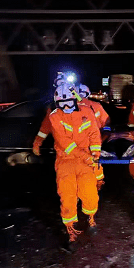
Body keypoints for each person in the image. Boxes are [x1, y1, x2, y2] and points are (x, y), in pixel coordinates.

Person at [32, 83, 102, 249]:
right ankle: (71, 231)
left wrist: (95, 154)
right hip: (65, 161)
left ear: (75, 100)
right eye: (62, 104)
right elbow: (65, 143)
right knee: (67, 195)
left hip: (85, 161)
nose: (66, 107)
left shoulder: (87, 111)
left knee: (89, 193)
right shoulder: (55, 116)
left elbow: (94, 134)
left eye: (69, 103)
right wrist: (85, 156)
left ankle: (91, 219)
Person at [79, 83, 111, 190]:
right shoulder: (96, 106)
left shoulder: (72, 107)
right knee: (95, 161)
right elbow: (106, 122)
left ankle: (96, 182)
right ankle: (98, 182)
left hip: (83, 141)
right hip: (93, 140)